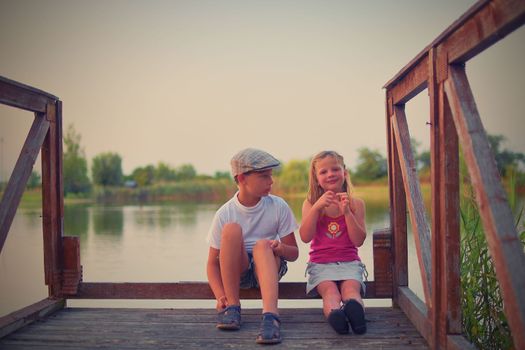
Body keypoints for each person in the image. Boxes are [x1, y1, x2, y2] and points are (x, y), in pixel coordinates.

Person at [206, 148, 299, 345]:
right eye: (264, 176)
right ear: (242, 179)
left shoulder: (278, 206)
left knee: (262, 245)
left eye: (271, 175)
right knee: (231, 230)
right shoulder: (225, 213)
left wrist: (279, 248)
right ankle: (232, 307)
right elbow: (212, 264)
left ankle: (270, 316)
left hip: (268, 268)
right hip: (237, 273)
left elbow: (294, 253)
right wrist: (219, 295)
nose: (271, 181)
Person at [299, 150, 367, 335]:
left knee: (351, 290)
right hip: (321, 264)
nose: (330, 174)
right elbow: (305, 237)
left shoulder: (356, 204)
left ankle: (356, 315)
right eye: (323, 171)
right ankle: (336, 316)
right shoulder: (310, 203)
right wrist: (317, 207)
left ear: (344, 172)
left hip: (349, 262)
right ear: (316, 177)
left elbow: (358, 240)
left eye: (335, 169)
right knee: (330, 292)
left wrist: (347, 213)